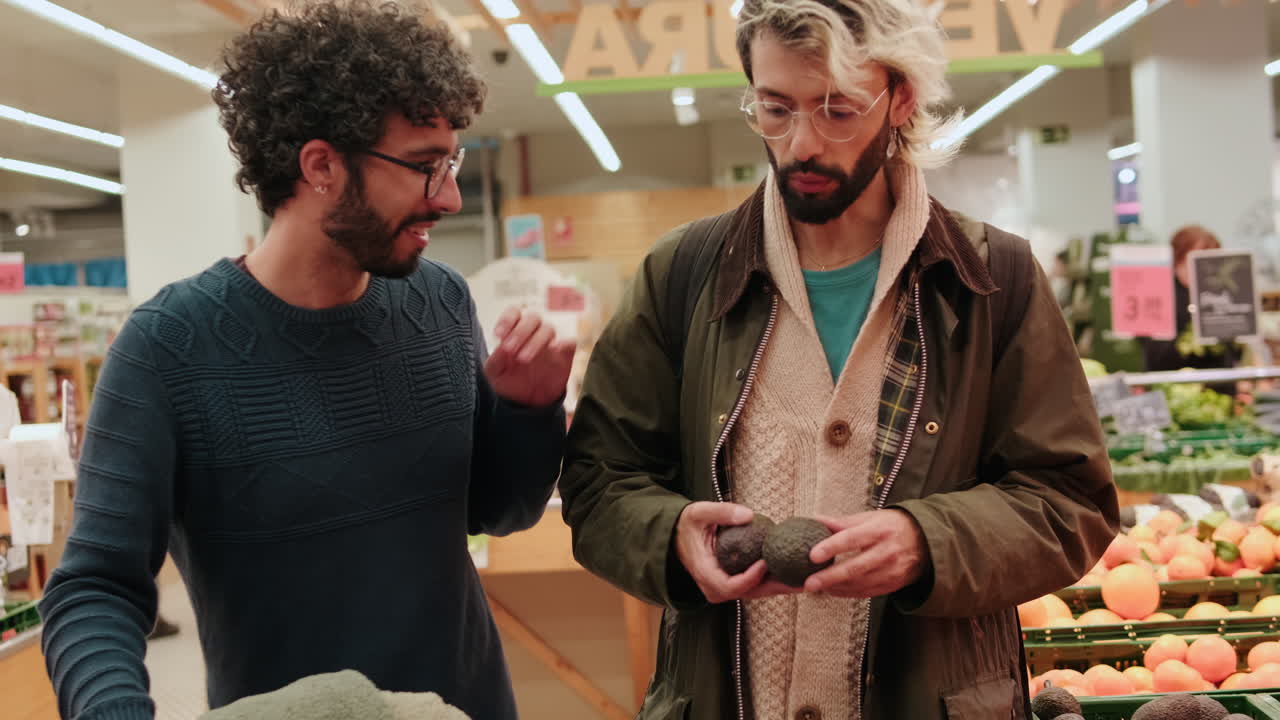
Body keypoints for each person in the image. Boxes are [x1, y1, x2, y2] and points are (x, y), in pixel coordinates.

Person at [558, 0, 1119, 717]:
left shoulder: (990, 280)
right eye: (775, 108)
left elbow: (1070, 500)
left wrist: (930, 541)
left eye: (839, 110)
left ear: (901, 98)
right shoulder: (684, 277)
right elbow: (600, 482)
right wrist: (668, 536)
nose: (802, 143)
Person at [38, 4, 572, 720]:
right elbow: (94, 586)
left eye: (451, 163)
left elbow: (495, 513)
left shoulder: (439, 302)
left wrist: (530, 414)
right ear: (321, 165)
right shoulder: (166, 349)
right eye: (423, 166)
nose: (447, 196)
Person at [1141, 224, 1238, 375]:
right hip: (1172, 386)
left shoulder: (1226, 294)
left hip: (1220, 384)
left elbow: (1233, 350)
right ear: (1177, 260)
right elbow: (1156, 355)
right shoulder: (1158, 295)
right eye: (1197, 259)